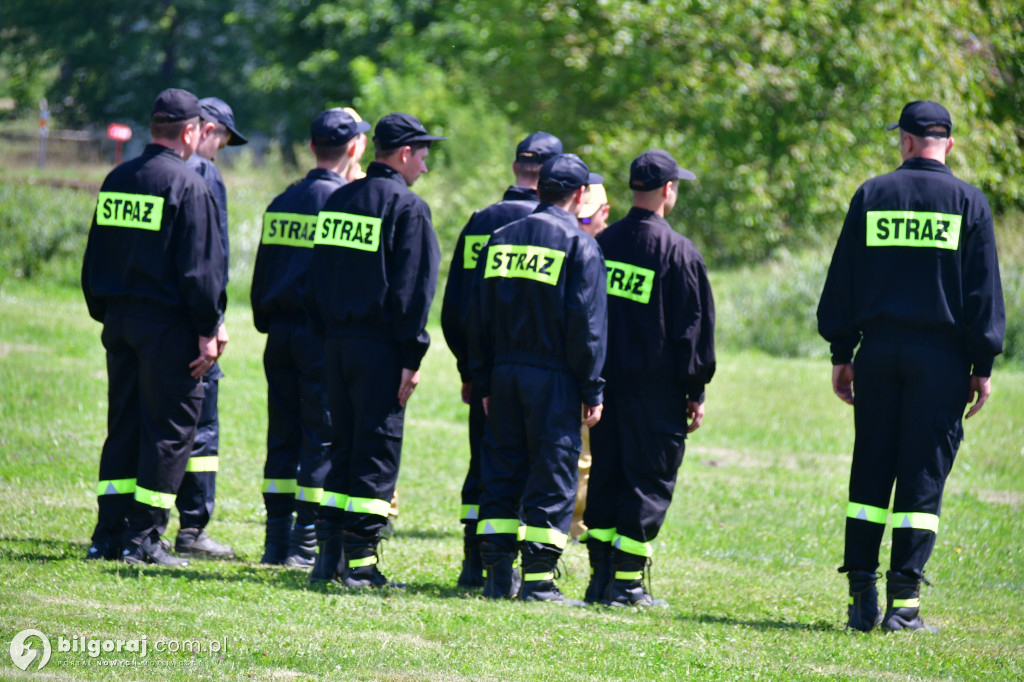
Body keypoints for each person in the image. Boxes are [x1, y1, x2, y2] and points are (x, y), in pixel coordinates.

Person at [817, 100, 1005, 632]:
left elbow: (842, 281)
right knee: (921, 477)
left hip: (876, 355)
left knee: (871, 468)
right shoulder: (969, 202)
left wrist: (841, 352)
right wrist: (981, 363)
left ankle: (860, 598)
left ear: (904, 140)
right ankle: (904, 608)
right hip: (941, 360)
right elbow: (982, 292)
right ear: (949, 143)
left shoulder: (872, 195)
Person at [82, 88, 226, 566]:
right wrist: (208, 329)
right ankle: (143, 539)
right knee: (169, 431)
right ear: (189, 132)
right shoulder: (189, 186)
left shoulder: (118, 177)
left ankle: (108, 534)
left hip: (120, 322)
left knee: (122, 426)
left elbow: (95, 255)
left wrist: (107, 311)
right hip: (168, 328)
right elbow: (200, 271)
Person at [305, 112, 444, 588]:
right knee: (376, 451)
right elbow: (412, 295)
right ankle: (361, 566)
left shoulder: (338, 200)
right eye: (423, 156)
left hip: (334, 345)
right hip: (381, 349)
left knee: (341, 447)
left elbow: (316, 279)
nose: (424, 167)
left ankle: (328, 557)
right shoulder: (408, 209)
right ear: (404, 153)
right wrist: (412, 357)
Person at [468, 153, 607, 603]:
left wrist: (485, 380)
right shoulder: (580, 245)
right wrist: (591, 388)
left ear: (539, 187)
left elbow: (480, 318)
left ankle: (495, 576)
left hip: (504, 373)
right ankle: (539, 582)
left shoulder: (500, 239)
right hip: (555, 377)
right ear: (580, 195)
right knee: (553, 472)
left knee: (502, 469)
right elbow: (586, 327)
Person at [583, 151, 714, 607]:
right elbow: (693, 330)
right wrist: (695, 390)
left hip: (605, 388)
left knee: (606, 477)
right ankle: (627, 584)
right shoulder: (679, 253)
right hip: (656, 392)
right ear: (668, 190)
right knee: (649, 483)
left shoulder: (603, 243)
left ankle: (599, 578)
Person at [440, 131, 563, 587]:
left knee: (484, 465)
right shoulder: (552, 228)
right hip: (536, 375)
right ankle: (520, 571)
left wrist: (471, 369)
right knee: (530, 469)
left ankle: (476, 564)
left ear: (515, 168)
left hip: (485, 374)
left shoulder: (479, 222)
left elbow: (455, 307)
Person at [251, 108, 370, 568]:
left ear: (311, 147)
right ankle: (304, 543)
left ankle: (275, 542)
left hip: (278, 333)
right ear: (355, 148)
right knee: (321, 439)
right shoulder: (347, 205)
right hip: (321, 339)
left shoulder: (282, 200)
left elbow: (263, 274)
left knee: (281, 437)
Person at [174, 96, 248, 558]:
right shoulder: (204, 174)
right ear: (206, 129)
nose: (220, 148)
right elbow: (212, 257)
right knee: (201, 427)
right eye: (221, 138)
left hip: (155, 321)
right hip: (195, 322)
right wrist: (215, 321)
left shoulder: (155, 171)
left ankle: (135, 524)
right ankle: (192, 529)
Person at [570, 182, 610, 541]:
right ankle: (573, 523)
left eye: (588, 218)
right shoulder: (574, 245)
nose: (582, 225)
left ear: (604, 213)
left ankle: (580, 521)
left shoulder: (608, 249)